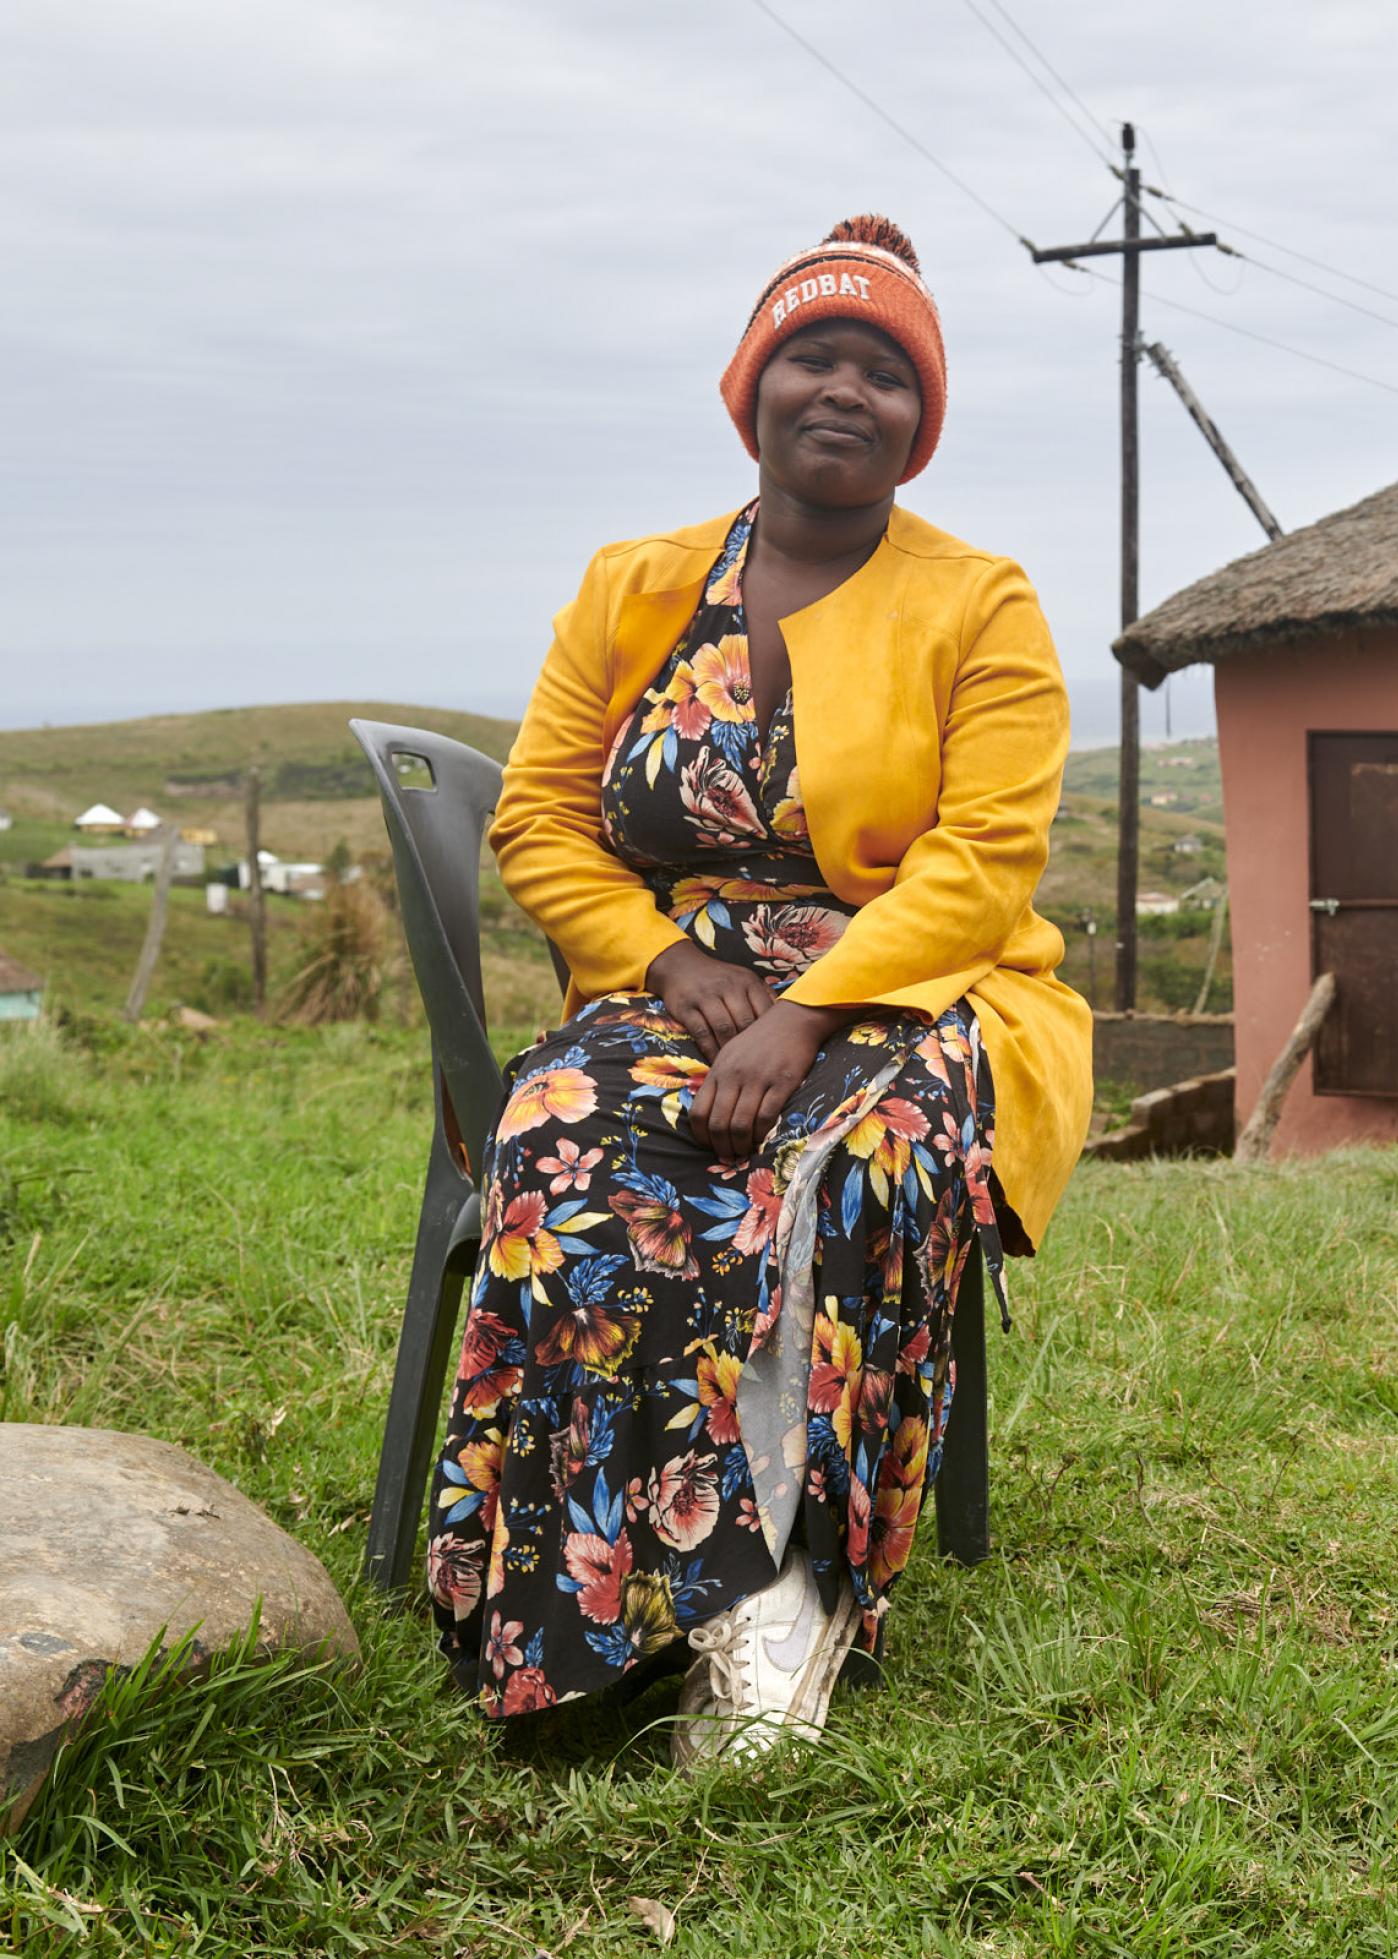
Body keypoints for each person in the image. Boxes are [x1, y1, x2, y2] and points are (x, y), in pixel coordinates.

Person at [424, 215, 1091, 1763]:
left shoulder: (980, 602)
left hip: (918, 990)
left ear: (923, 424)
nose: (847, 390)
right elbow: (541, 817)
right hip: (677, 983)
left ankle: (781, 1602)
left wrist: (805, 1014)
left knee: (849, 1164)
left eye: (888, 372)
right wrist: (669, 963)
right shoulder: (633, 583)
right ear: (753, 387)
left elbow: (984, 861)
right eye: (814, 356)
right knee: (565, 1149)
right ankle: (585, 1604)